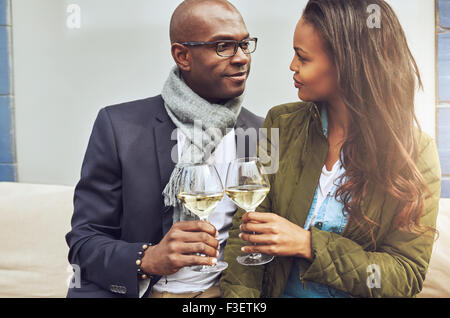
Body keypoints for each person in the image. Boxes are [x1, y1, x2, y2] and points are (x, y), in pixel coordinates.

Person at [220, 0, 441, 298]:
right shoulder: (280, 124)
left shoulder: (415, 154)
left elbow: (404, 275)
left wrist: (308, 244)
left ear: (348, 63)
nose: (292, 66)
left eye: (303, 57)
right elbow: (244, 235)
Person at [66, 0, 263, 298]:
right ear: (182, 56)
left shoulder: (259, 132)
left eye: (245, 44)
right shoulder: (120, 127)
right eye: (223, 46)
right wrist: (147, 258)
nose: (241, 58)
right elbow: (84, 241)